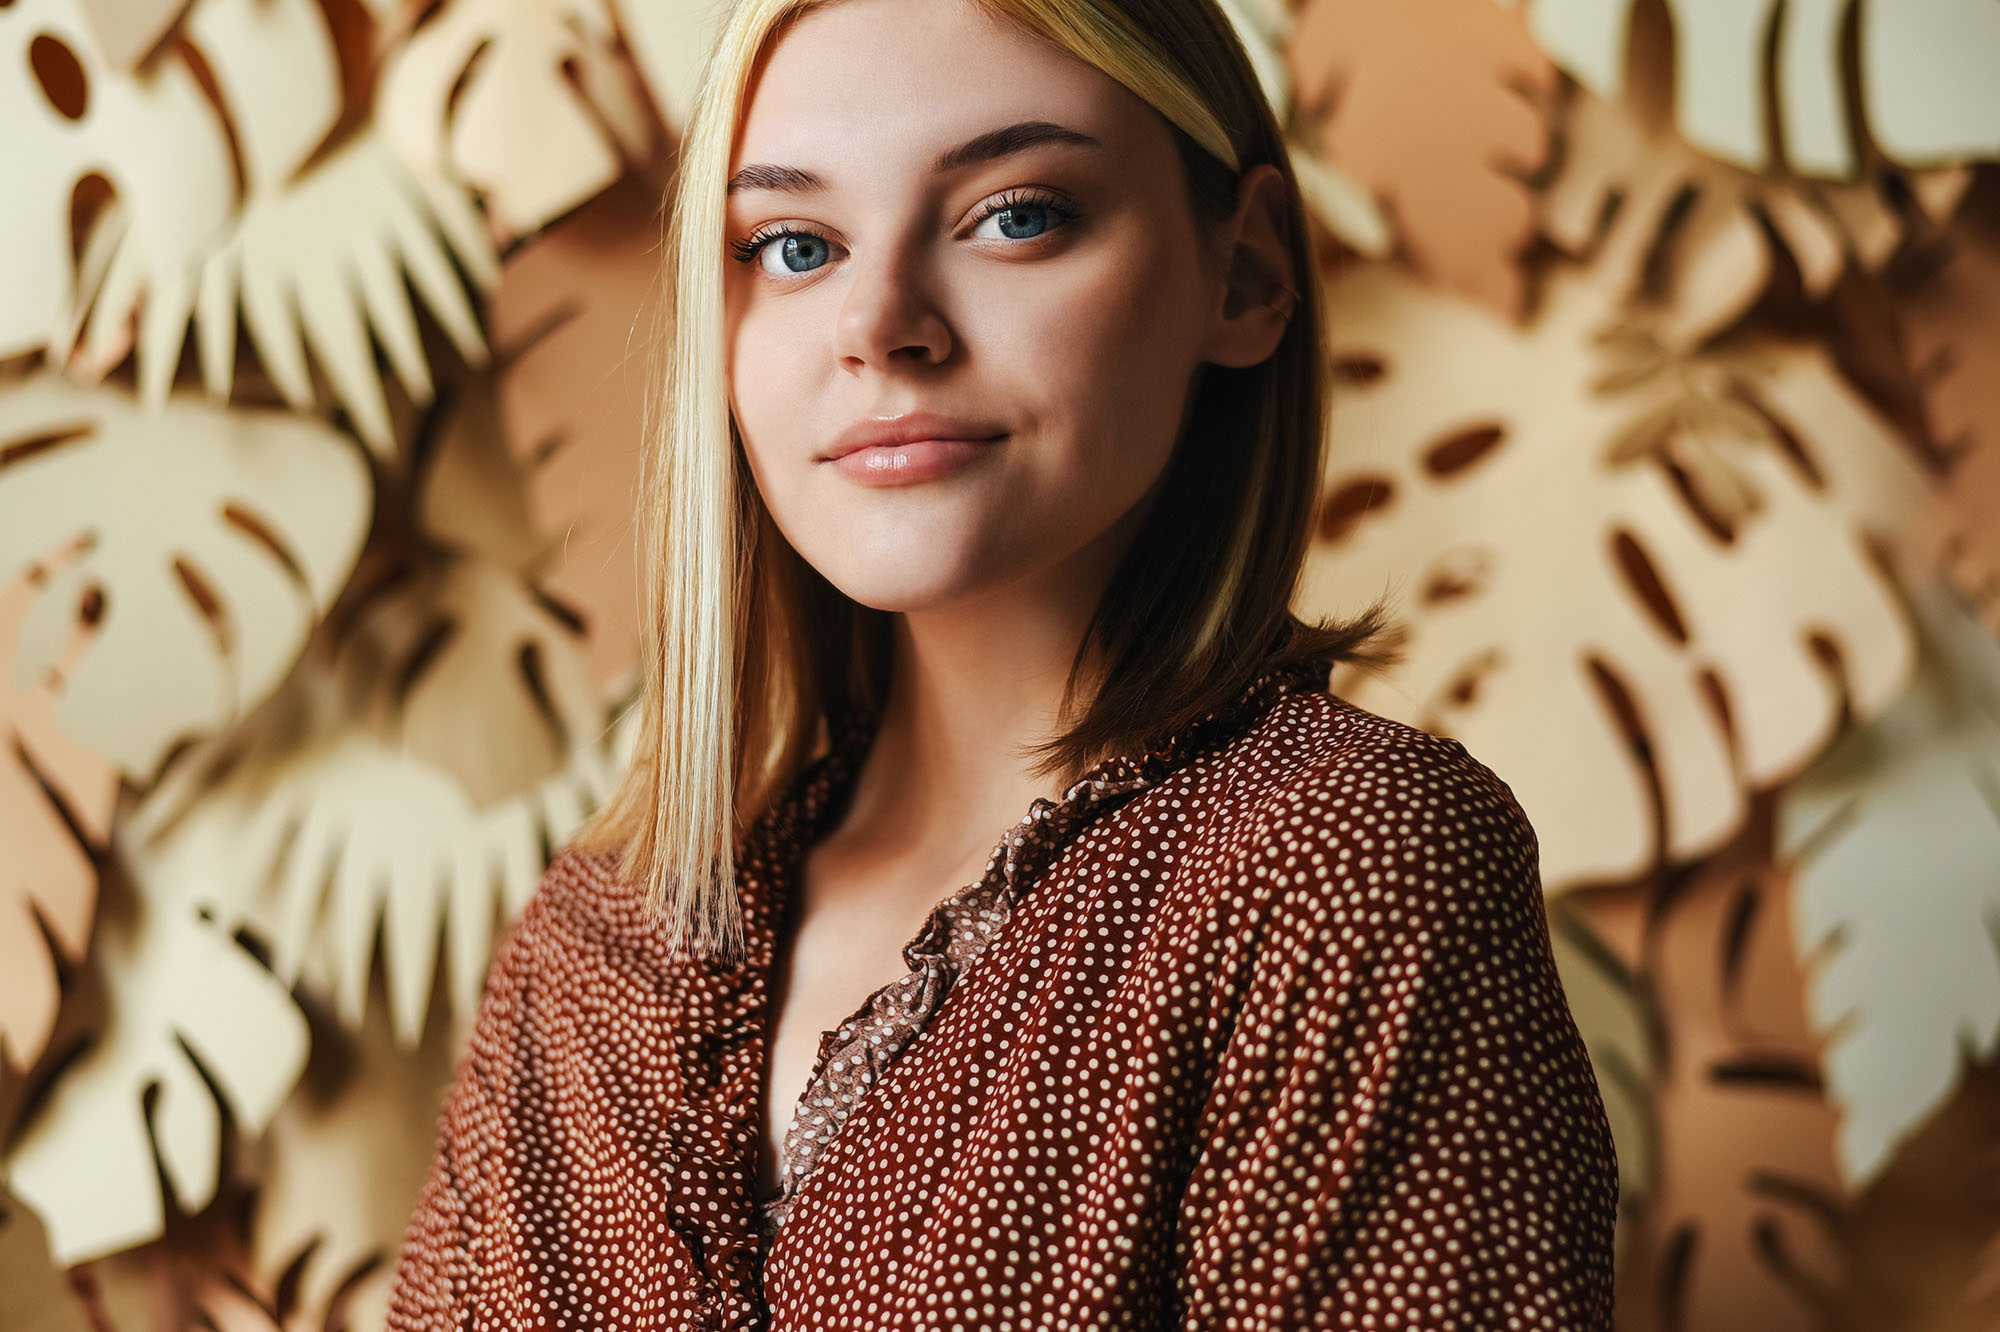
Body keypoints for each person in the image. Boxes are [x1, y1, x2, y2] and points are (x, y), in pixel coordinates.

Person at [384, 0, 1620, 1327]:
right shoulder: (598, 940)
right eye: (795, 246)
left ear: (1248, 272)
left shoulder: (1343, 861)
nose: (880, 325)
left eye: (1015, 216)